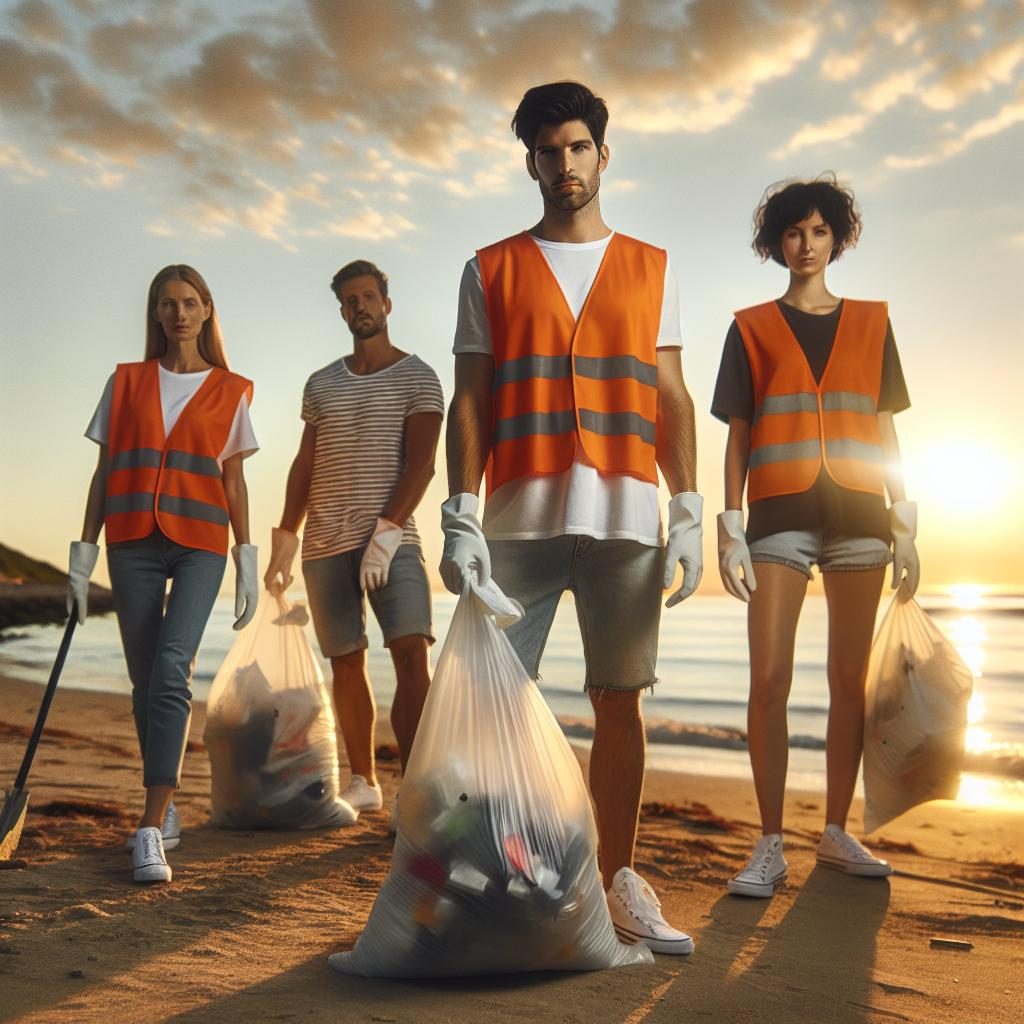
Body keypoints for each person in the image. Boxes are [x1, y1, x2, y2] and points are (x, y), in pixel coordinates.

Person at [441, 81, 702, 956]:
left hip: (628, 513)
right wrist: (460, 513)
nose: (564, 163)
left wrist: (694, 508)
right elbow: (470, 399)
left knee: (619, 701)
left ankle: (617, 880)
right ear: (531, 163)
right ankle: (487, 874)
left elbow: (669, 395)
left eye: (578, 146)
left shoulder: (652, 265)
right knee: (489, 706)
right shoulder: (488, 266)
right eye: (548, 151)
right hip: (516, 514)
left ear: (602, 153)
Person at [711, 175, 920, 898]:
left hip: (864, 519)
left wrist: (906, 514)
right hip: (776, 518)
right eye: (793, 233)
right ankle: (769, 844)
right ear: (776, 243)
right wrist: (727, 521)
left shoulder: (872, 321)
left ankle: (835, 830)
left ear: (837, 237)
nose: (805, 245)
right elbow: (740, 432)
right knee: (768, 680)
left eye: (818, 231)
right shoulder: (749, 327)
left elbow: (886, 423)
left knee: (847, 685)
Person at [67, 264, 259, 884]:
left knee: (173, 667)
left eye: (190, 302)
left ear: (207, 309)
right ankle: (166, 803)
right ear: (156, 313)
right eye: (167, 303)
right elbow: (104, 472)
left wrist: (246, 560)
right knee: (145, 679)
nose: (179, 313)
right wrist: (82, 556)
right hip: (130, 541)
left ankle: (150, 826)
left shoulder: (231, 390)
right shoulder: (124, 382)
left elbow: (233, 479)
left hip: (201, 543)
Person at [263, 260, 443, 827]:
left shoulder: (420, 377)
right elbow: (305, 463)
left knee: (412, 650)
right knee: (346, 661)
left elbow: (422, 466)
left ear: (387, 303)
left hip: (394, 541)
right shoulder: (321, 383)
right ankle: (364, 781)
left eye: (368, 296)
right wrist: (286, 538)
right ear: (342, 311)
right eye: (349, 300)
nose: (360, 306)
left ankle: (413, 789)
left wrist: (387, 531)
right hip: (324, 544)